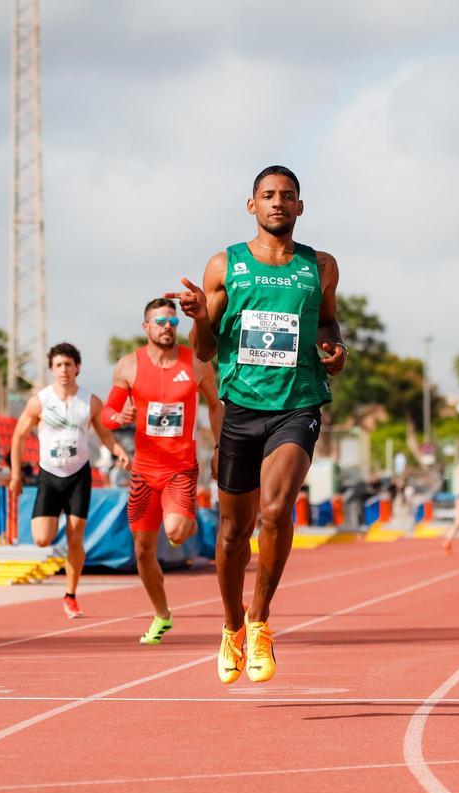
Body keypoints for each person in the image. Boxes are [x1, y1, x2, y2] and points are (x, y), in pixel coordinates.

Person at [169, 165, 346, 683]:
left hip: (298, 403)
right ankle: (231, 628)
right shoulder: (226, 265)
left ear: (300, 207)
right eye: (268, 196)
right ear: (252, 205)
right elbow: (203, 350)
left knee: (275, 509)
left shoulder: (322, 266)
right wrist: (200, 316)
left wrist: (335, 348)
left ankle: (261, 620)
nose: (277, 203)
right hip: (241, 408)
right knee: (231, 532)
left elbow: (329, 320)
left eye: (287, 196)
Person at [101, 298, 223, 645]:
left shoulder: (197, 363)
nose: (167, 327)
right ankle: (162, 614)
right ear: (147, 327)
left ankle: (184, 516)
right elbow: (108, 413)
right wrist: (118, 417)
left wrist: (218, 448)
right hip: (143, 471)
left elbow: (215, 407)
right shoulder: (128, 366)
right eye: (160, 321)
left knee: (177, 531)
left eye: (172, 321)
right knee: (142, 551)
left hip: (180, 469)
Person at [9, 343, 130, 619]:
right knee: (42, 538)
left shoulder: (90, 401)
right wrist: (16, 474)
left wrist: (119, 451)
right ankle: (62, 542)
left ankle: (71, 595)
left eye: (68, 364)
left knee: (76, 538)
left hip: (78, 475)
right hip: (49, 475)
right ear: (51, 369)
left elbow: (105, 434)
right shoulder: (40, 401)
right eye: (58, 365)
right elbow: (17, 436)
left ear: (78, 368)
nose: (64, 370)